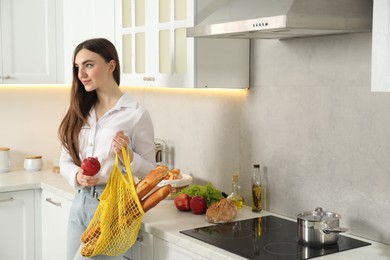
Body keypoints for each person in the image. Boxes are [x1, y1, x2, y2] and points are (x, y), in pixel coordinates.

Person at [58, 38, 156, 260]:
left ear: (111, 66)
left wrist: (128, 157)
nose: (81, 73)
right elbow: (64, 160)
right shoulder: (75, 109)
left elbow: (151, 172)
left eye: (89, 65)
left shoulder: (135, 113)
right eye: (77, 67)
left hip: (113, 207)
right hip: (79, 203)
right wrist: (77, 175)